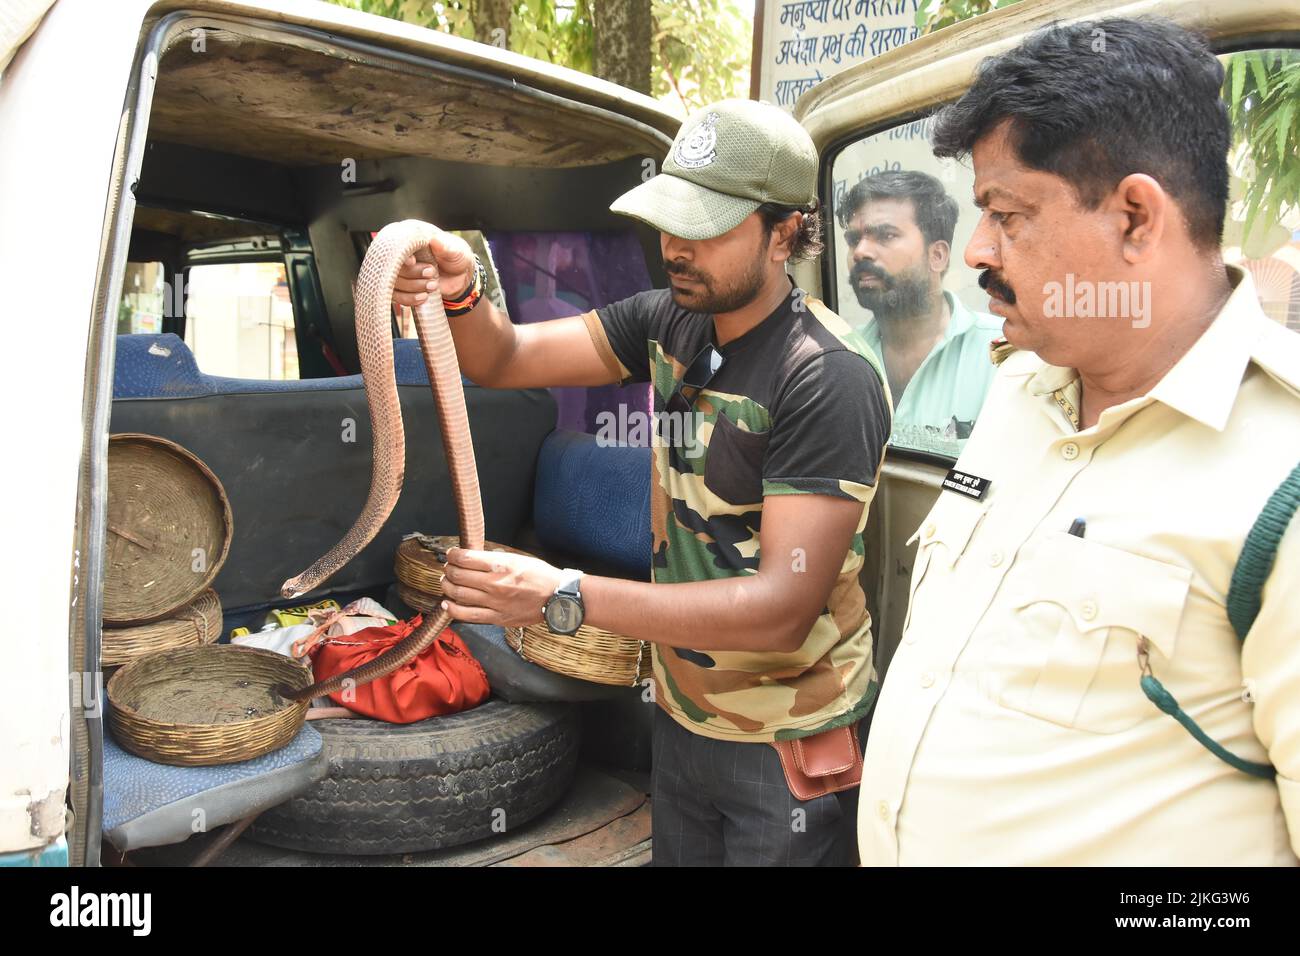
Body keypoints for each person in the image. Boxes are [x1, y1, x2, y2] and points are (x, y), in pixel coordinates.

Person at [393, 99, 892, 866]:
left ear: (785, 230)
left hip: (784, 743)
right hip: (682, 716)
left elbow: (780, 611)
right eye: (671, 223)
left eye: (708, 227)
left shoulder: (826, 376)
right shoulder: (671, 321)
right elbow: (504, 359)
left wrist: (561, 593)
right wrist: (460, 294)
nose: (677, 248)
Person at [857, 17, 1300, 865]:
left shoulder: (1282, 476)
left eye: (1006, 214)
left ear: (1136, 217)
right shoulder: (1023, 383)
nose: (978, 250)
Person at [838, 170, 1001, 452]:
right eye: (853, 240)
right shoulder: (841, 357)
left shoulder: (1001, 355)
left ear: (937, 255)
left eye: (886, 235)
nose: (860, 252)